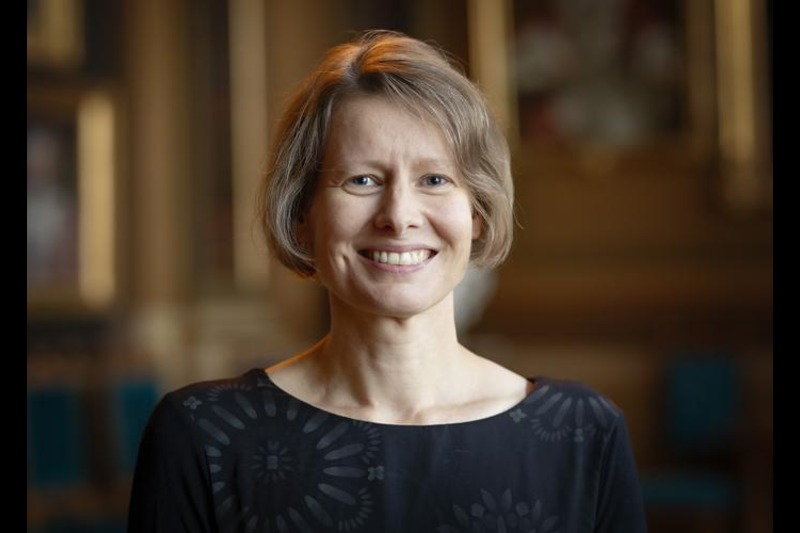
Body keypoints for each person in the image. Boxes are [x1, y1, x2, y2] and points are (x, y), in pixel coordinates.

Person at [127, 29, 647, 532]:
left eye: (435, 179)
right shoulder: (203, 435)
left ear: (478, 213)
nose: (399, 217)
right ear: (302, 214)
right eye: (362, 180)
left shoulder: (582, 433)